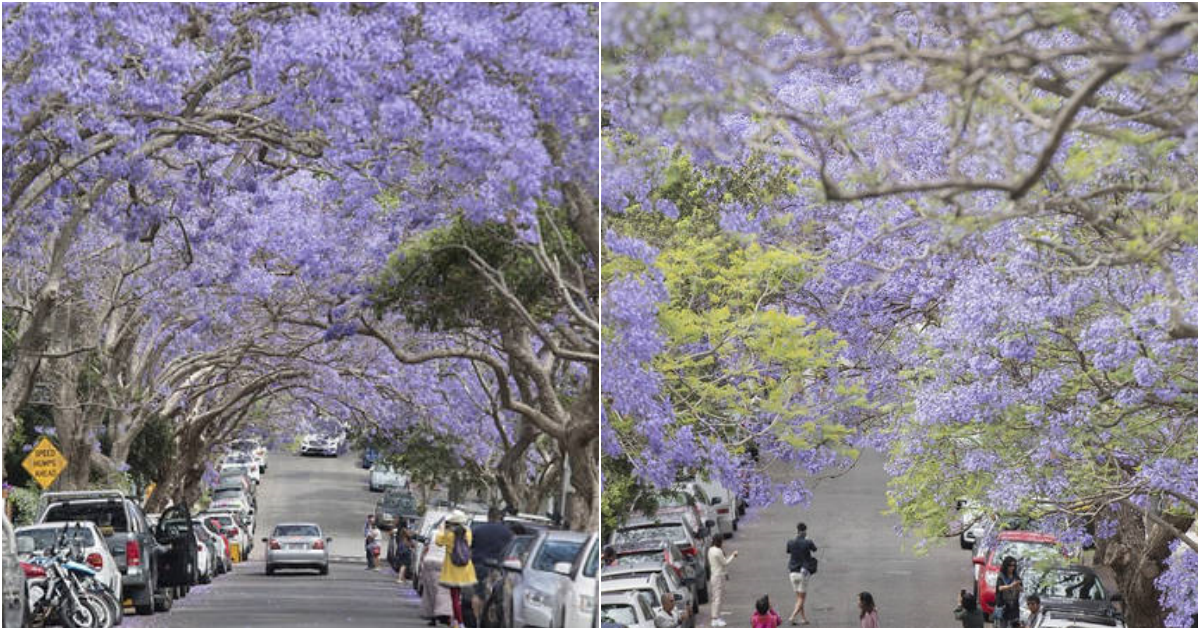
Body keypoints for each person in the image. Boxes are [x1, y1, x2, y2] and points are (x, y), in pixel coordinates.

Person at [470, 507, 513, 625]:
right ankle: (490, 621)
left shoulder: (477, 530)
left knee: (478, 594)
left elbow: (470, 548)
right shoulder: (507, 532)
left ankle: (478, 620)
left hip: (480, 566)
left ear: (488, 516)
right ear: (499, 517)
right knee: (496, 597)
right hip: (499, 568)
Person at [436, 510, 477, 628]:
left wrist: (442, 529)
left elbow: (438, 542)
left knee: (455, 598)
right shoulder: (468, 533)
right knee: (465, 599)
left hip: (452, 571)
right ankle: (465, 621)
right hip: (466, 571)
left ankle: (459, 622)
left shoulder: (448, 535)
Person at [785, 522, 817, 626]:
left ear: (797, 531)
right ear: (805, 531)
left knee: (799, 598)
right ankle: (792, 616)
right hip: (803, 573)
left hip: (792, 573)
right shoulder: (807, 542)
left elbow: (788, 551)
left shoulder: (790, 542)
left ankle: (803, 618)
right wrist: (807, 540)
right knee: (802, 598)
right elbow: (814, 549)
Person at [707, 536, 738, 627]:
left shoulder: (710, 550)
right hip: (718, 577)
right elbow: (725, 563)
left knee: (715, 598)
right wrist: (733, 555)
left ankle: (715, 617)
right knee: (718, 598)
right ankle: (715, 619)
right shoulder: (718, 551)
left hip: (713, 576)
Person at [994, 557, 1022, 628]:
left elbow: (1021, 589)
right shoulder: (1001, 576)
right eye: (1010, 566)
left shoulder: (1016, 576)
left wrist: (1018, 586)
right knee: (1003, 625)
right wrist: (1010, 586)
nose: (1012, 568)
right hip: (1003, 606)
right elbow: (1000, 588)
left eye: (1013, 566)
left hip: (1014, 607)